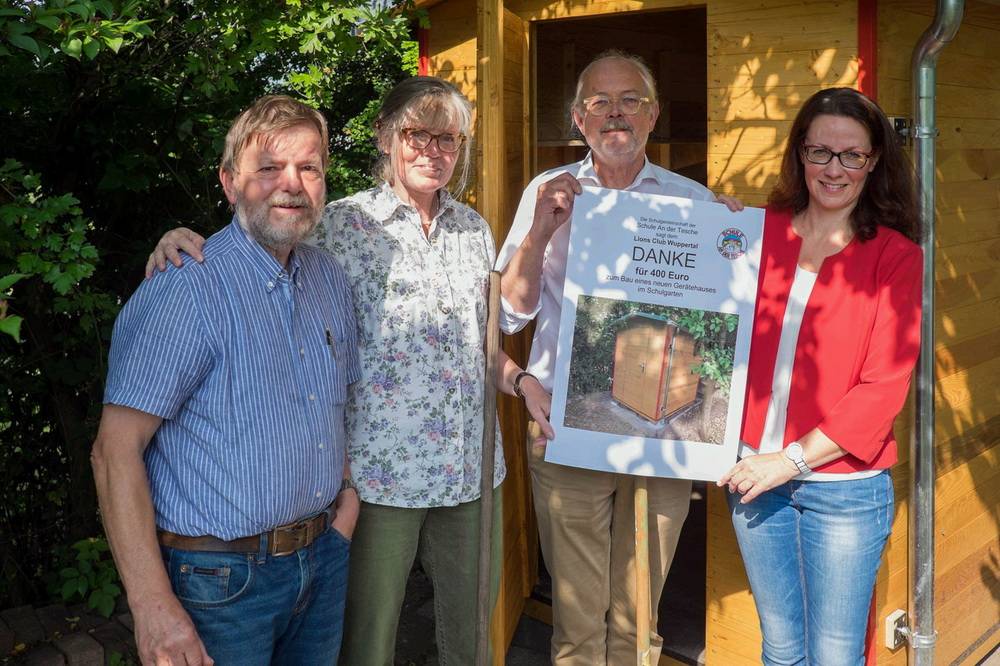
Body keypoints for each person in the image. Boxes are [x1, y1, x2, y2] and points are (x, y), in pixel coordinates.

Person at [145, 77, 553, 665]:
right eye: (417, 134)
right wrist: (182, 240)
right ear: (385, 136)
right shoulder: (339, 225)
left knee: (472, 640)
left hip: (472, 473)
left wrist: (519, 379)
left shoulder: (473, 230)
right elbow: (261, 245)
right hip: (376, 478)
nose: (433, 150)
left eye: (448, 139)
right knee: (368, 644)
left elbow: (476, 344)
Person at [91, 95, 362, 666]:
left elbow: (333, 405)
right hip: (220, 582)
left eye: (309, 167)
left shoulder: (329, 279)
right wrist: (152, 607)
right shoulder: (185, 288)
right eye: (269, 167)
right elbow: (114, 452)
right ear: (229, 181)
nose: (291, 184)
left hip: (322, 558)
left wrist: (345, 509)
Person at [495, 50, 741, 665]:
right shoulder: (546, 191)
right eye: (599, 102)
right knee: (576, 623)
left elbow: (722, 316)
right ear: (578, 118)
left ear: (653, 115)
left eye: (630, 100)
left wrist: (738, 244)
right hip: (566, 423)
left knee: (638, 620)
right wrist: (540, 231)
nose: (615, 114)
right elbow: (508, 315)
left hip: (664, 433)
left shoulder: (695, 201)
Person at [717, 87, 922, 665]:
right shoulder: (756, 234)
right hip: (754, 474)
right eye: (820, 152)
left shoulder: (895, 257)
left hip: (844, 489)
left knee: (834, 658)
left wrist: (788, 462)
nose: (834, 169)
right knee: (781, 651)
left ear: (873, 161)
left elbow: (883, 389)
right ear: (800, 153)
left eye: (851, 155)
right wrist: (712, 230)